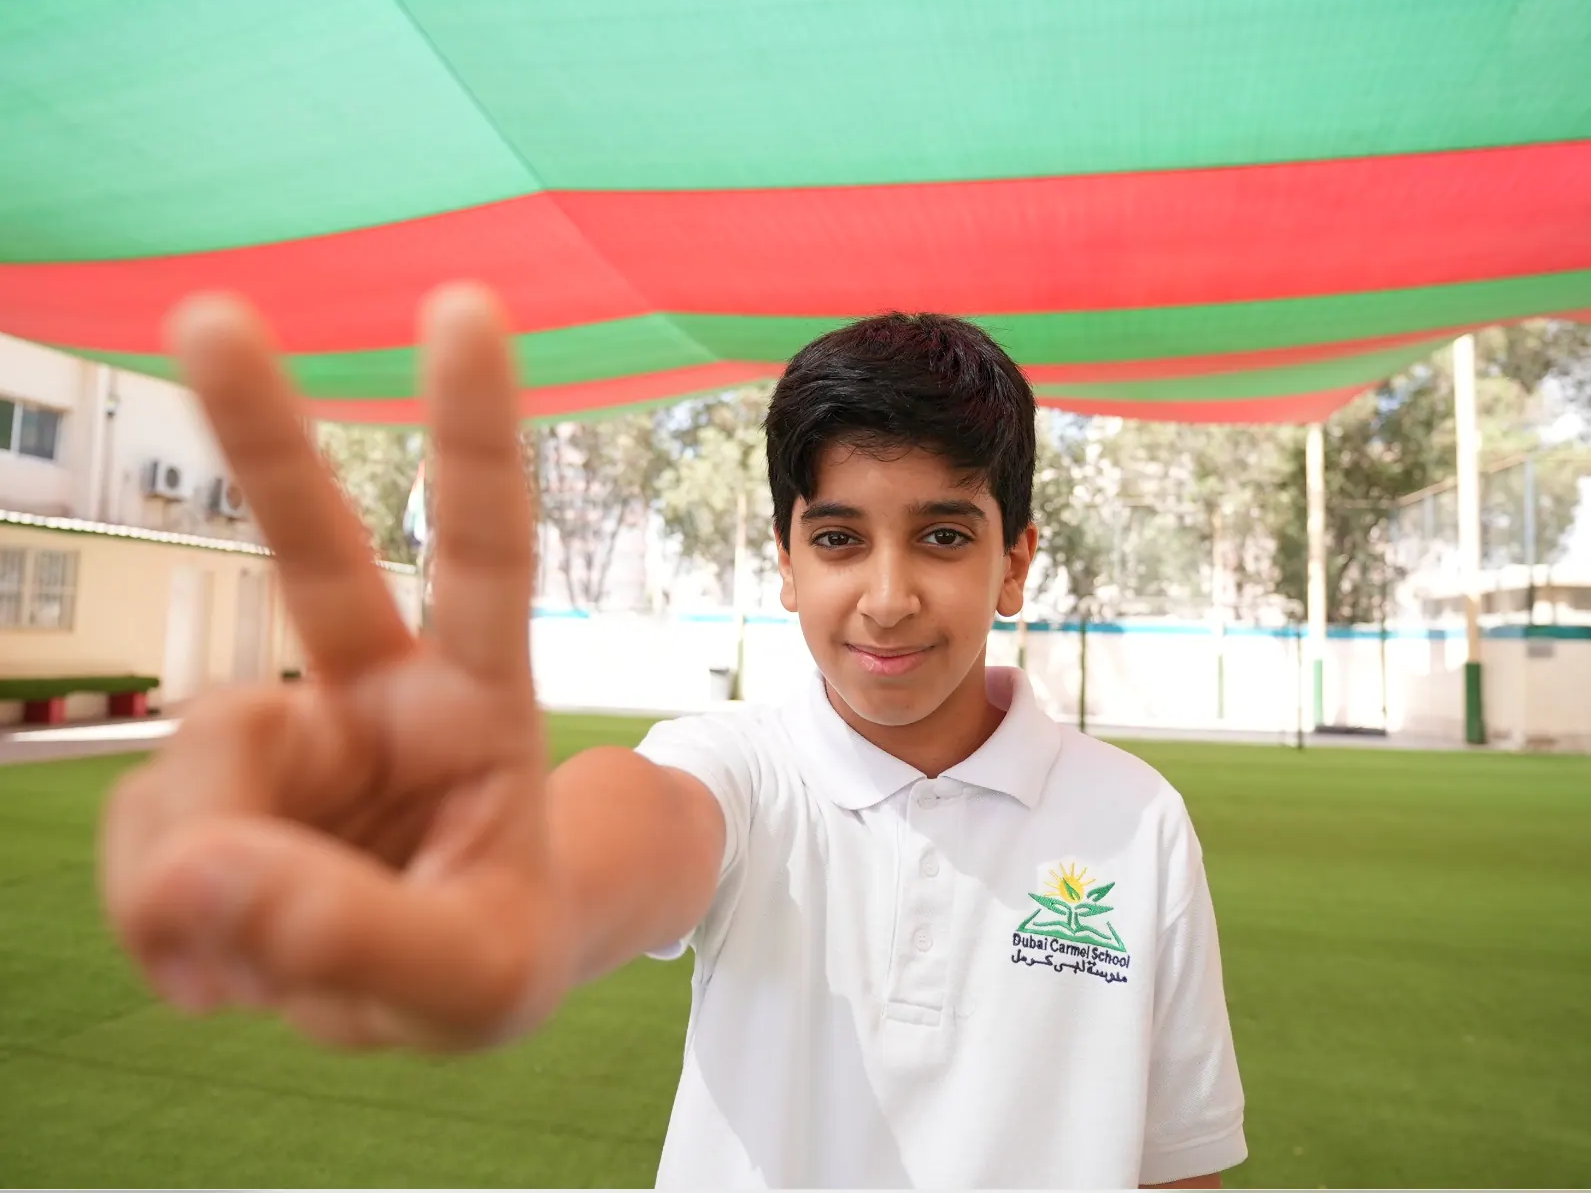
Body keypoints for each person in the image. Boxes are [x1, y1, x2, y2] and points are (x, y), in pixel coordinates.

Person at [100, 285, 1245, 1189]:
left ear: (1015, 561)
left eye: (942, 536)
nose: (888, 597)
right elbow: (639, 825)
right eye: (839, 539)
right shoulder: (739, 767)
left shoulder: (1134, 820)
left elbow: (1177, 1160)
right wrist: (523, 891)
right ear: (786, 564)